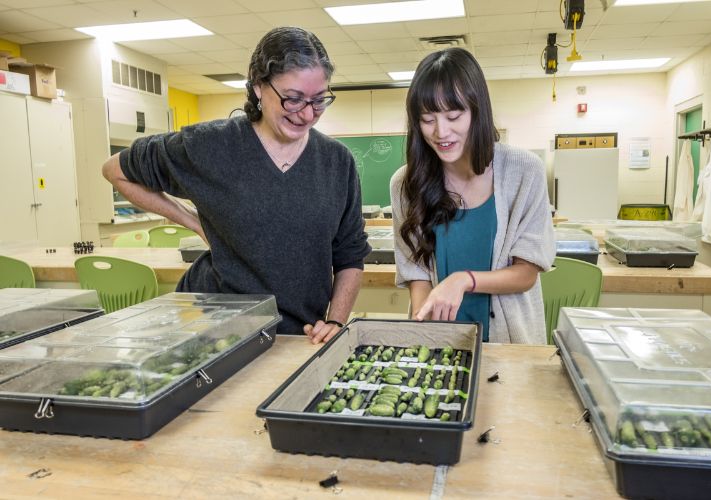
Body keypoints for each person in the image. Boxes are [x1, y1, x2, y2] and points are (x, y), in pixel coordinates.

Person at [102, 26, 370, 344]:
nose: (307, 114)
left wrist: (336, 320)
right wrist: (195, 223)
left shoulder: (336, 162)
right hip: (210, 326)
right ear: (258, 86)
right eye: (293, 99)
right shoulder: (211, 146)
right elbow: (115, 170)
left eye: (319, 100)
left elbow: (350, 256)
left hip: (298, 333)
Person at [390, 47, 555, 344]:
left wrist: (464, 280)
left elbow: (526, 273)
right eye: (428, 119)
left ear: (477, 110)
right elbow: (417, 273)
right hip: (442, 343)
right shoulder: (405, 184)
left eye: (454, 116)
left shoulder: (524, 171)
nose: (441, 132)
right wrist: (424, 331)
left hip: (510, 344)